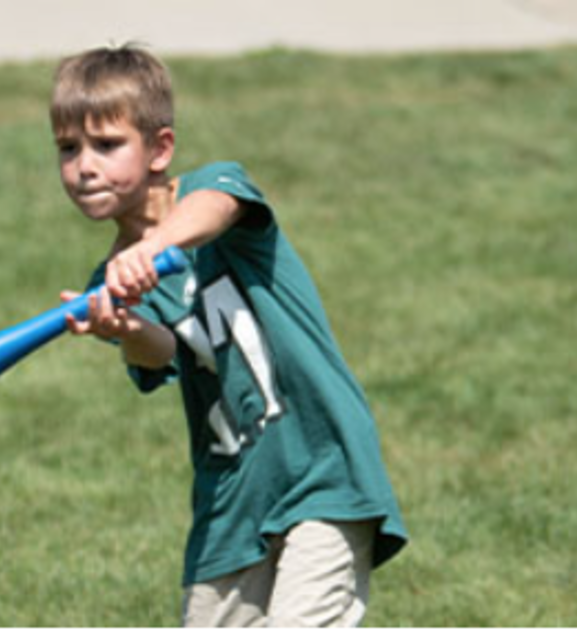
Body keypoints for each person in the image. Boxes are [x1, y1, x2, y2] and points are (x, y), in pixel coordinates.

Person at [52, 44, 407, 627]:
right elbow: (162, 354)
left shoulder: (213, 191)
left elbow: (217, 208)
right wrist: (122, 327)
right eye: (68, 149)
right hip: (230, 501)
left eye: (107, 144)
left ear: (160, 148)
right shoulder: (113, 280)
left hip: (320, 463)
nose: (84, 165)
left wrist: (153, 246)